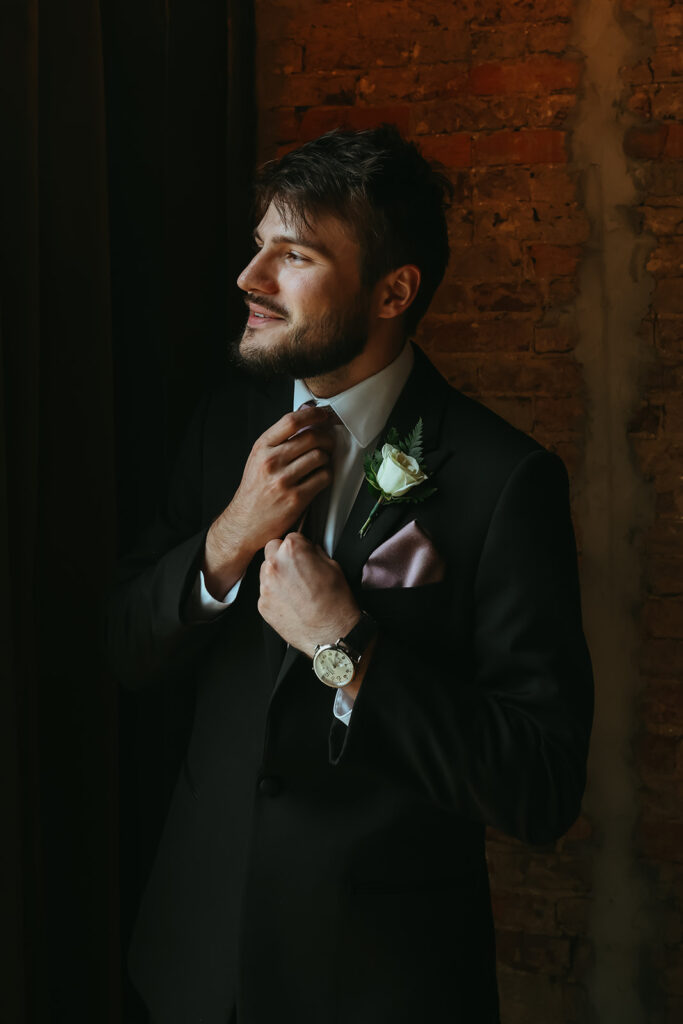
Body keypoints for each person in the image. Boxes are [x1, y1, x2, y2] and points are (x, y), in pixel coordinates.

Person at [106, 124, 594, 1024]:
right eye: (259, 246)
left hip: (378, 986)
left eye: (290, 256)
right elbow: (124, 650)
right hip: (190, 969)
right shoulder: (223, 428)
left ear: (393, 290)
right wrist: (223, 543)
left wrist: (345, 647)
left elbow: (538, 784)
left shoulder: (503, 480)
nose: (249, 280)